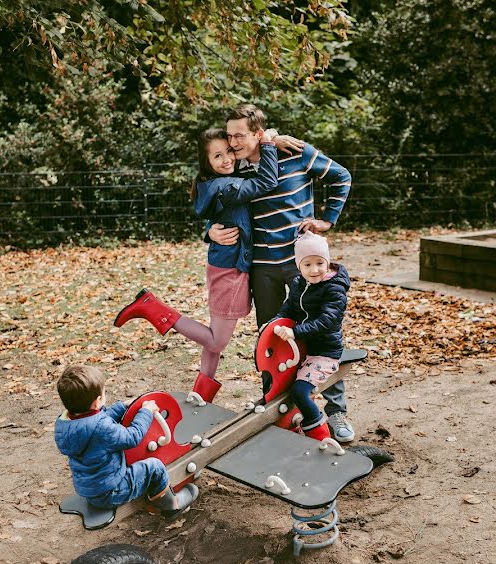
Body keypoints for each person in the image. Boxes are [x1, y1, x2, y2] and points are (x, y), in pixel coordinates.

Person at [209, 103, 357, 442]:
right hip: (263, 268)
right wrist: (210, 231)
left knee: (321, 335)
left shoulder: (296, 152)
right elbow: (213, 201)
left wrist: (328, 219)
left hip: (303, 268)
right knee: (270, 339)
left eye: (239, 135)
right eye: (229, 136)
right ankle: (277, 411)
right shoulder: (235, 170)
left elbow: (341, 177)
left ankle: (336, 412)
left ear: (258, 133)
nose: (232, 143)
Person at [113, 128, 279, 405]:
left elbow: (220, 211)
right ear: (206, 163)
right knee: (216, 341)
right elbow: (265, 184)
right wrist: (269, 144)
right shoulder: (225, 185)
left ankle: (201, 395)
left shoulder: (217, 182)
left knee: (213, 338)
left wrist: (208, 231)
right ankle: (153, 308)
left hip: (222, 265)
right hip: (230, 271)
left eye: (228, 152)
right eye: (218, 156)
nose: (227, 159)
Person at [53, 364, 198, 518]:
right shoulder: (101, 428)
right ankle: (170, 505)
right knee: (154, 466)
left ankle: (158, 498)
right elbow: (132, 437)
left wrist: (123, 407)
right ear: (97, 402)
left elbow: (101, 417)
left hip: (89, 490)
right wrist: (146, 412)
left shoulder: (66, 423)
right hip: (112, 492)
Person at [271, 232, 349, 441]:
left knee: (300, 392)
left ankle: (319, 433)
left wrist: (295, 331)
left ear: (327, 262)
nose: (314, 270)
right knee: (282, 386)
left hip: (325, 351)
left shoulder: (334, 288)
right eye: (307, 265)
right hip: (302, 349)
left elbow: (328, 321)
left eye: (319, 263)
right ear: (299, 266)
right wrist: (275, 324)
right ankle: (293, 424)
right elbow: (288, 308)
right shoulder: (299, 283)